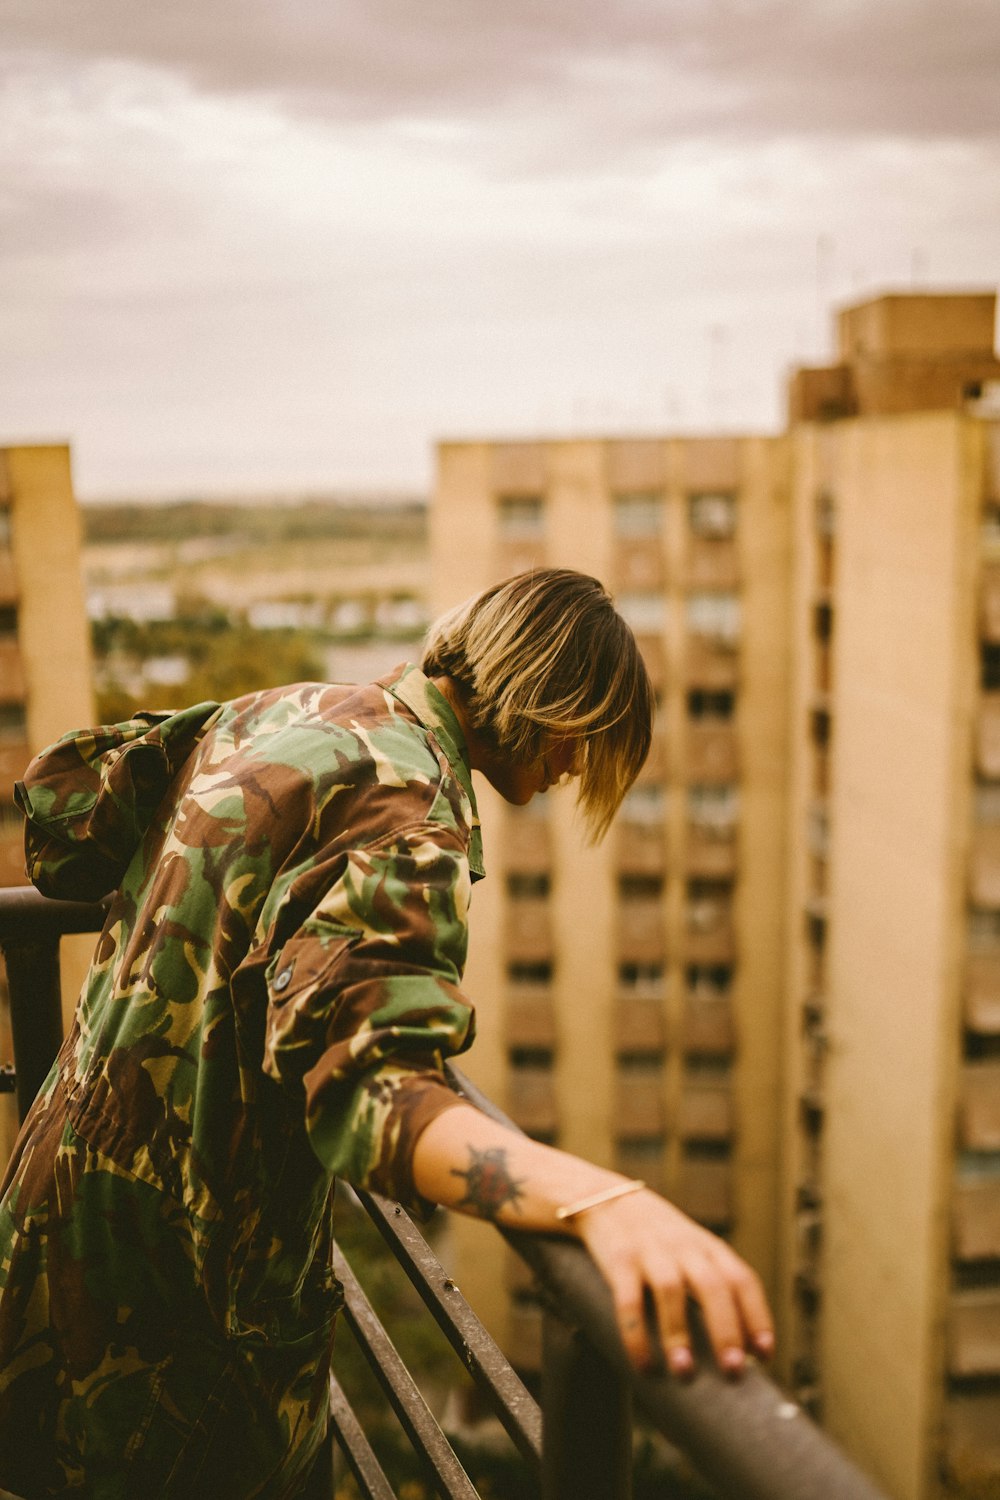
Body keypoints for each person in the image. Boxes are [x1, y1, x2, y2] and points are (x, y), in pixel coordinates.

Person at [0, 568, 773, 1497]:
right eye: (585, 733)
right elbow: (373, 1095)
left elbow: (65, 808)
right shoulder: (406, 814)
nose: (576, 768)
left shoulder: (289, 710)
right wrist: (603, 1201)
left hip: (49, 1221)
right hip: (173, 1331)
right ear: (541, 693)